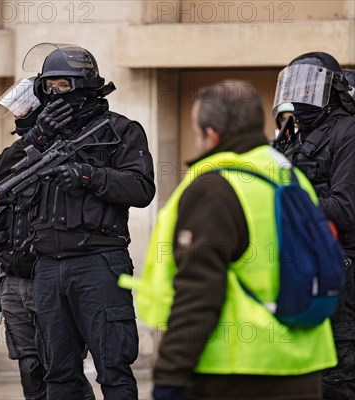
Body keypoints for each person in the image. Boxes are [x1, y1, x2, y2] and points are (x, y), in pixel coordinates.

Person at [144, 80, 337, 400]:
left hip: (234, 374)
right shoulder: (289, 176)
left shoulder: (214, 187)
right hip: (304, 367)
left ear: (212, 134)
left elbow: (198, 292)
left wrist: (169, 375)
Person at [0, 43, 155, 399]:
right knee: (57, 373)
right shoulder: (43, 134)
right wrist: (37, 134)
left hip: (98, 263)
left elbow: (141, 187)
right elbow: (0, 181)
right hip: (48, 269)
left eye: (62, 86)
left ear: (84, 85)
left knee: (113, 369)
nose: (54, 94)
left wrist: (89, 177)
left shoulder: (121, 130)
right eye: (48, 87)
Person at [0, 78, 96, 400]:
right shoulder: (19, 153)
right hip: (13, 279)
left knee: (61, 370)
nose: (19, 117)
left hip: (47, 276)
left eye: (24, 110)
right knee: (29, 369)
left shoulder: (66, 149)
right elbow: (0, 216)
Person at [272, 52, 355, 400]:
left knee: (339, 370)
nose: (301, 93)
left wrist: (287, 206)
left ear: (332, 89)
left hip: (341, 261)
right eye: (296, 83)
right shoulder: (290, 136)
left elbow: (345, 207)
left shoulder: (347, 132)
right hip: (297, 264)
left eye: (311, 83)